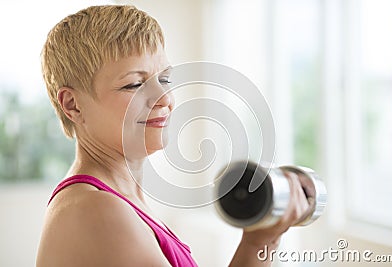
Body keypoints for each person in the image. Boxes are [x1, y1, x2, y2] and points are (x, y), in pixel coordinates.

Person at [36, 5, 312, 267]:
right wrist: (259, 242)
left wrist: (261, 239)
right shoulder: (94, 209)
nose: (165, 99)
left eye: (165, 79)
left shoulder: (119, 200)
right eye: (134, 84)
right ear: (73, 105)